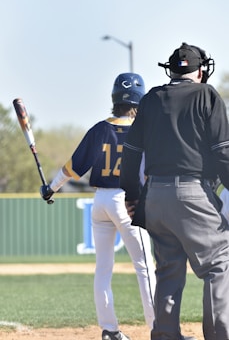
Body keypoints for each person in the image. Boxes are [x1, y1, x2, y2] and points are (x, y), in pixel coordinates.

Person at [120, 42, 229, 340]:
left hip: (155, 194)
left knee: (168, 270)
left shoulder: (152, 98)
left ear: (171, 71)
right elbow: (222, 154)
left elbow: (130, 153)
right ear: (201, 70)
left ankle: (165, 335)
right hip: (192, 193)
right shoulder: (206, 95)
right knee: (218, 264)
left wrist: (132, 196)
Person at [40, 73, 156, 340]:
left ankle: (110, 330)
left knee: (103, 267)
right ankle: (158, 329)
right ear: (140, 101)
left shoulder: (99, 129)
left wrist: (51, 188)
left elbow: (73, 167)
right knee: (144, 267)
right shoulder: (144, 131)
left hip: (101, 201)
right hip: (128, 201)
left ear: (114, 98)